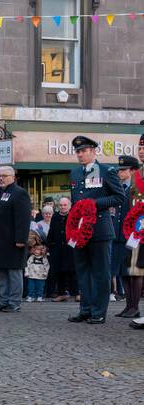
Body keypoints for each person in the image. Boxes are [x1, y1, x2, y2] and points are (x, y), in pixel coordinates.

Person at [67, 135, 127, 325]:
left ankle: (98, 311)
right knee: (82, 271)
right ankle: (85, 309)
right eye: (78, 151)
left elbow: (119, 197)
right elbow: (75, 201)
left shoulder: (106, 171)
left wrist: (94, 204)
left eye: (84, 151)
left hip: (100, 228)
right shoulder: (75, 173)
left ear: (93, 152)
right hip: (79, 231)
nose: (81, 154)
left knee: (101, 272)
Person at [0, 166, 32, 313]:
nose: (1, 178)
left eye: (4, 175)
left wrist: (21, 239)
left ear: (13, 177)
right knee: (0, 272)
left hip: (13, 241)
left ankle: (14, 302)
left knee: (14, 272)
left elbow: (23, 219)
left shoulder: (20, 194)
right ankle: (4, 300)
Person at [118, 156, 144, 320]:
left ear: (133, 171)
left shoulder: (137, 186)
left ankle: (135, 306)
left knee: (135, 271)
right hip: (121, 233)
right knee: (124, 271)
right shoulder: (121, 187)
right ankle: (128, 305)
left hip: (135, 233)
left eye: (123, 170)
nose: (120, 172)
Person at [47, 196, 77, 301]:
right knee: (59, 272)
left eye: (65, 205)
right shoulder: (55, 217)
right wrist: (49, 245)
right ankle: (61, 293)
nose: (63, 207)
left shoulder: (74, 216)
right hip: (57, 248)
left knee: (73, 271)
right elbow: (51, 232)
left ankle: (77, 293)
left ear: (69, 205)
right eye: (61, 205)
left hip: (71, 248)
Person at [24, 236, 49, 303]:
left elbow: (46, 266)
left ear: (42, 251)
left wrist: (45, 273)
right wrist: (26, 272)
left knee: (40, 287)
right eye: (35, 249)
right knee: (31, 287)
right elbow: (27, 265)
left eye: (38, 250)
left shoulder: (44, 258)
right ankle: (30, 296)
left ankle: (39, 296)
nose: (36, 251)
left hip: (41, 276)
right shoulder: (31, 258)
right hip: (31, 275)